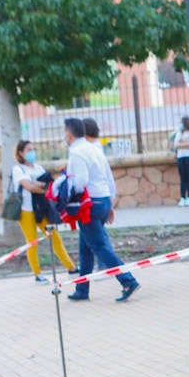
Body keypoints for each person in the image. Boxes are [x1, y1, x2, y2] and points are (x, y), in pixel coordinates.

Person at [63, 118, 140, 303]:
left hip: (90, 204)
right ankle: (82, 288)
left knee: (99, 247)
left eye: (64, 132)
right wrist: (110, 204)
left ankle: (128, 281)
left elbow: (80, 182)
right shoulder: (94, 149)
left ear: (69, 134)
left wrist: (65, 191)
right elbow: (108, 176)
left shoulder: (77, 153)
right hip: (103, 200)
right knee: (86, 248)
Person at [10, 141, 75, 280]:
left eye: (33, 149)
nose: (32, 152)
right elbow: (28, 186)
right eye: (28, 150)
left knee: (54, 236)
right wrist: (38, 185)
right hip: (25, 211)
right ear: (20, 153)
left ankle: (71, 267)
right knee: (32, 241)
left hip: (42, 209)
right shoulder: (18, 169)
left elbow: (49, 186)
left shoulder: (38, 168)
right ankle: (37, 274)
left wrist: (38, 184)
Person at [171, 116, 189, 206]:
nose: (180, 125)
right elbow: (176, 145)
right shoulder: (179, 133)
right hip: (181, 157)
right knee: (183, 178)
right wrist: (185, 144)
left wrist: (182, 144)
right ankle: (182, 198)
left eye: (181, 122)